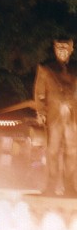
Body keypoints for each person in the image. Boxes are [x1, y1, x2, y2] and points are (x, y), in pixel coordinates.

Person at [34, 37, 77, 196]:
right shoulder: (46, 69)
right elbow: (39, 93)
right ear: (54, 48)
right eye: (59, 47)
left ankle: (70, 186)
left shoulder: (75, 69)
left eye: (65, 47)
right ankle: (51, 185)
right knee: (52, 151)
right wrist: (41, 111)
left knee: (72, 151)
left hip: (73, 117)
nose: (62, 50)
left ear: (71, 50)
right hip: (54, 117)